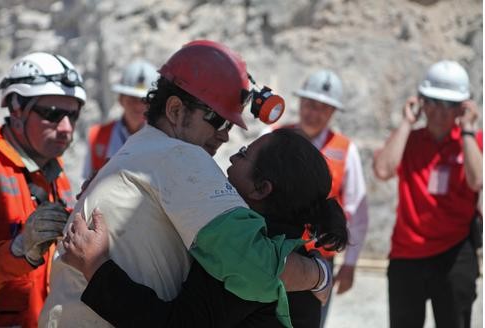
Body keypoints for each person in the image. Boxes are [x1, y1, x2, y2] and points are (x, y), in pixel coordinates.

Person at [39, 40, 329, 328]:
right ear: (176, 110)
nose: (225, 136)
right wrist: (318, 274)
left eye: (229, 126)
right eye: (217, 121)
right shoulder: (180, 156)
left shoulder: (141, 150)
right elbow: (255, 267)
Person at [61, 128, 348, 328]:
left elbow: (174, 325)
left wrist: (97, 268)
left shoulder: (240, 255)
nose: (233, 156)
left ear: (261, 189)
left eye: (245, 154)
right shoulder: (287, 246)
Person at [373, 60, 482, 328]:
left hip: (455, 253)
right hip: (407, 253)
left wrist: (467, 131)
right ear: (422, 102)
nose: (441, 111)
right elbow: (383, 170)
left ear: (462, 107)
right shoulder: (408, 139)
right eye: (433, 101)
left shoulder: (472, 141)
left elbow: (477, 180)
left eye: (450, 104)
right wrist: (407, 123)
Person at [0, 52, 86, 328]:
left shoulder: (54, 170)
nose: (66, 128)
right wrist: (19, 249)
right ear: (16, 108)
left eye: (73, 115)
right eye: (52, 114)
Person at [275, 69, 369, 327]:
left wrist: (349, 264)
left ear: (332, 113)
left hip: (320, 259)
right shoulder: (276, 138)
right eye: (309, 104)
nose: (312, 113)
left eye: (322, 108)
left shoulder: (345, 150)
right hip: (274, 253)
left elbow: (357, 211)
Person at [83, 59, 159, 178]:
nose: (138, 106)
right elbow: (86, 181)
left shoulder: (161, 139)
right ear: (120, 99)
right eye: (132, 98)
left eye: (145, 100)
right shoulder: (97, 136)